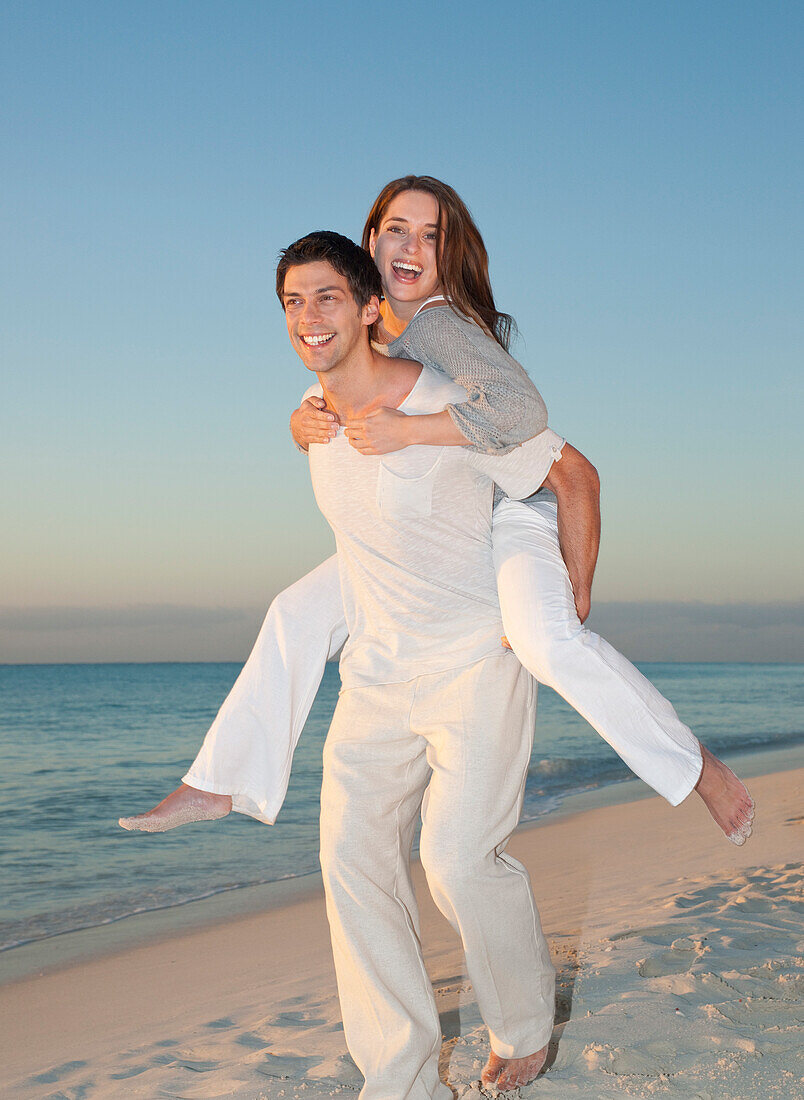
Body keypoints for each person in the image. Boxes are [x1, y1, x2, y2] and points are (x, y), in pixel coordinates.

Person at [120, 177, 754, 849]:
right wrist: (298, 422)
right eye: (398, 229)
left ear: (447, 254)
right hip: (439, 534)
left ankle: (697, 770)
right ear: (371, 241)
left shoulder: (437, 326)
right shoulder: (378, 335)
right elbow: (349, 393)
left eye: (431, 235)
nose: (411, 247)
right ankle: (221, 779)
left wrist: (575, 583)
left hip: (514, 512)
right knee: (295, 612)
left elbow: (546, 442)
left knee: (545, 641)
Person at [283, 230, 561, 1094]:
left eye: (328, 296)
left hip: (475, 664)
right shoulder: (313, 415)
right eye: (293, 301)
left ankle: (523, 1026)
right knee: (350, 862)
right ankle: (398, 1072)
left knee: (456, 858)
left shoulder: (450, 398)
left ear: (373, 309)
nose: (308, 316)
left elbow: (568, 474)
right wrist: (300, 425)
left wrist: (560, 607)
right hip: (372, 679)